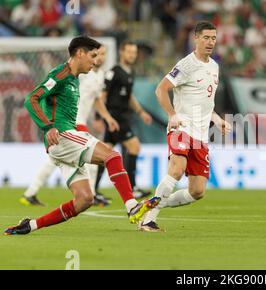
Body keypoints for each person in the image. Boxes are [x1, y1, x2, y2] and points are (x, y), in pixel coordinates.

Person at [5, 36, 159, 235]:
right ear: (79, 53)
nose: (95, 61)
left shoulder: (75, 78)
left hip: (62, 142)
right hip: (62, 135)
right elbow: (32, 98)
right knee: (113, 156)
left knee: (85, 199)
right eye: (93, 56)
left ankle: (30, 225)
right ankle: (132, 207)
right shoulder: (61, 74)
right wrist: (48, 126)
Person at [139, 21, 231, 232]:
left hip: (201, 135)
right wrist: (172, 115)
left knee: (197, 192)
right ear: (196, 38)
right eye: (206, 37)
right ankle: (148, 219)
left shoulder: (214, 66)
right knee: (177, 170)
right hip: (182, 127)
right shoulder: (186, 65)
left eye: (214, 38)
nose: (210, 42)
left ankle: (150, 205)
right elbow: (161, 90)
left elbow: (206, 102)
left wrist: (216, 119)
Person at [19, 45, 115, 207]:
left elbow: (97, 100)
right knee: (97, 155)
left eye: (104, 54)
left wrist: (106, 117)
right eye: (97, 54)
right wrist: (49, 123)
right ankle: (92, 193)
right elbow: (39, 95)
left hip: (80, 121)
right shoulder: (81, 73)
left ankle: (31, 192)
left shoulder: (98, 76)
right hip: (72, 122)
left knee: (53, 160)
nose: (100, 58)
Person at [94, 41, 153, 200]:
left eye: (134, 53)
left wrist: (141, 112)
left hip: (121, 117)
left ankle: (94, 190)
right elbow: (102, 96)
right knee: (134, 147)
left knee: (104, 153)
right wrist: (99, 117)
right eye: (129, 52)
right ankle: (132, 187)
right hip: (116, 118)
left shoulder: (129, 72)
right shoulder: (114, 72)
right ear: (122, 52)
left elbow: (129, 97)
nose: (132, 55)